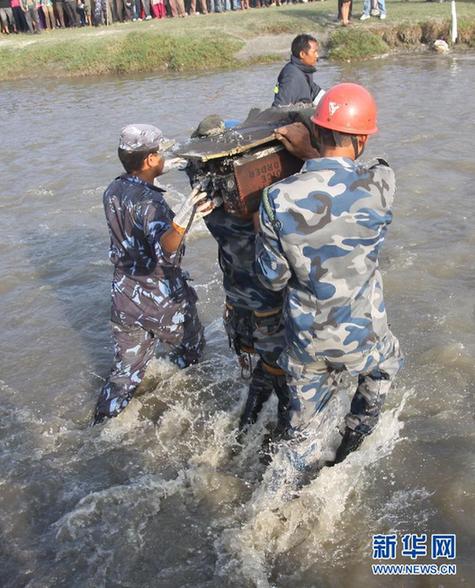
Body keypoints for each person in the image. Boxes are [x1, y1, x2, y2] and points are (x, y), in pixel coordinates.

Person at [255, 83, 403, 486]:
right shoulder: (381, 186)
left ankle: (283, 504)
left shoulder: (276, 198)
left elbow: (272, 278)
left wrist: (308, 158)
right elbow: (370, 164)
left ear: (314, 133)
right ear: (361, 139)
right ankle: (352, 442)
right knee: (387, 365)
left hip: (308, 343)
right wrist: (317, 155)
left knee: (301, 439)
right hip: (365, 337)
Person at [93, 124, 212, 425]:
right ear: (148, 160)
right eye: (159, 153)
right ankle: (187, 396)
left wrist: (171, 165)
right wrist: (186, 213)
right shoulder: (152, 203)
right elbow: (166, 250)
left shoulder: (113, 190)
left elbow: (138, 185)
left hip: (124, 296)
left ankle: (101, 424)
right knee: (193, 346)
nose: (162, 157)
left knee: (125, 373)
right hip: (160, 298)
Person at [187, 116, 291, 447]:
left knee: (259, 369)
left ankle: (244, 431)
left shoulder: (203, 193)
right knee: (281, 376)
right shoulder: (252, 203)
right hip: (266, 302)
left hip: (236, 299)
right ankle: (278, 444)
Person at [272, 33, 325, 108]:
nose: (317, 55)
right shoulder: (292, 76)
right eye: (314, 52)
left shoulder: (304, 72)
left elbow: (318, 94)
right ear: (302, 54)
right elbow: (279, 108)